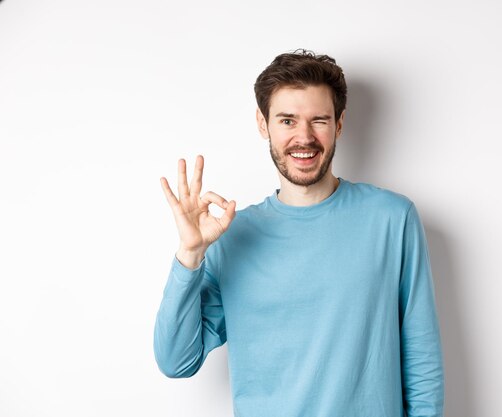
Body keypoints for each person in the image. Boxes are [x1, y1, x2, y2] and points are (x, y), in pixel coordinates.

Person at [154, 49, 444, 417]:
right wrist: (190, 255)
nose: (304, 137)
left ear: (339, 124)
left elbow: (421, 358)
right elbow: (176, 360)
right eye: (287, 121)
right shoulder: (232, 236)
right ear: (264, 124)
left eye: (319, 120)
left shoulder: (391, 218)